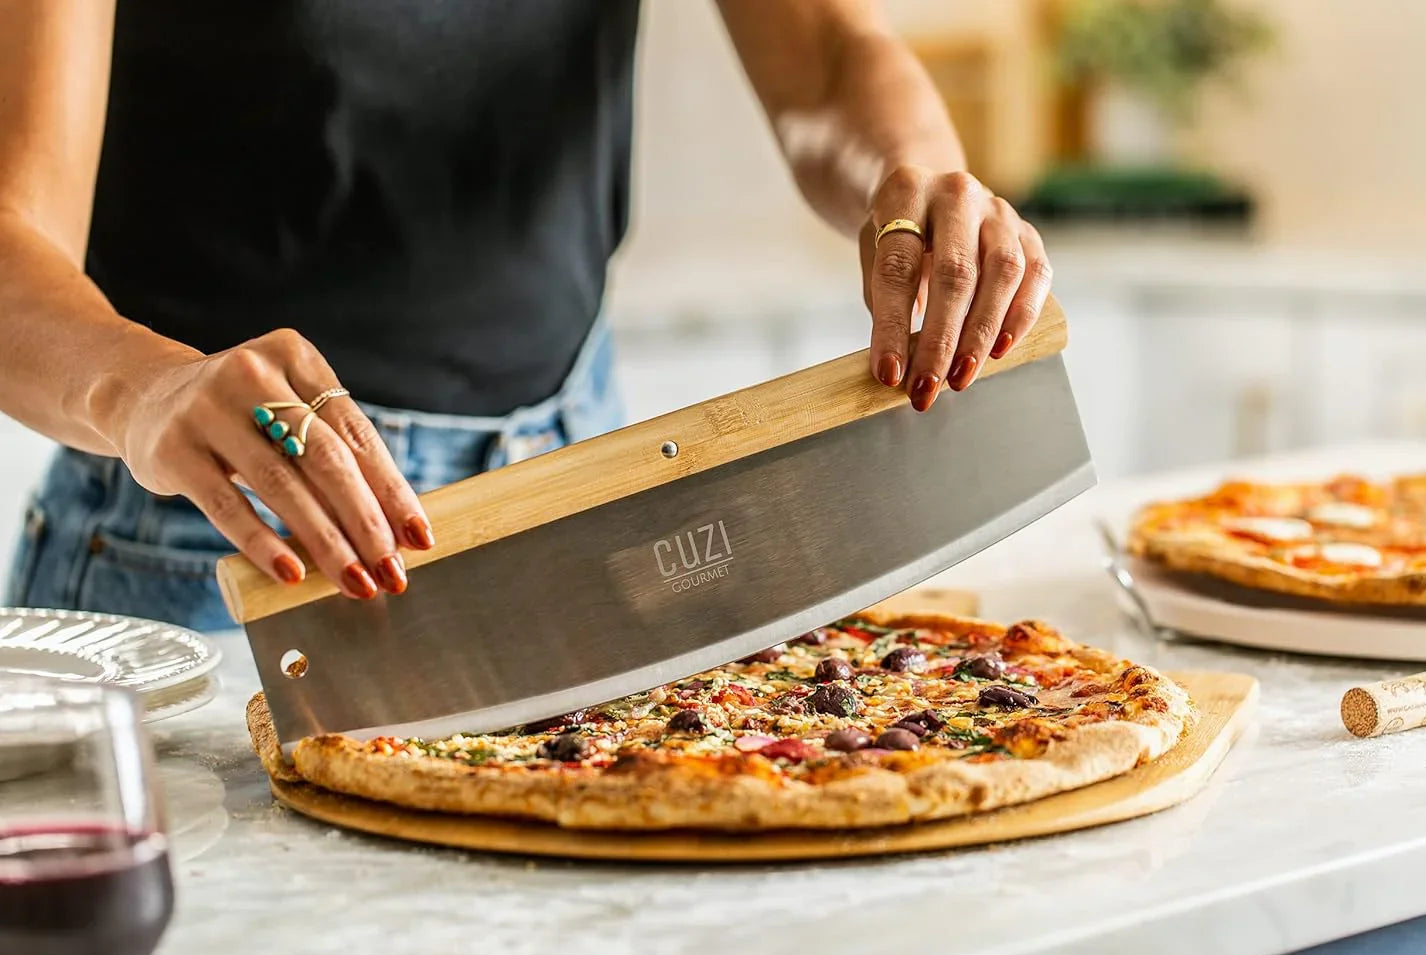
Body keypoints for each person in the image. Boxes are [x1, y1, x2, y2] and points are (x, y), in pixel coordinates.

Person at [0, 0, 1054, 631]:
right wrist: (148, 390)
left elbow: (825, 54)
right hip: (215, 542)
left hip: (574, 490)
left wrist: (915, 184)